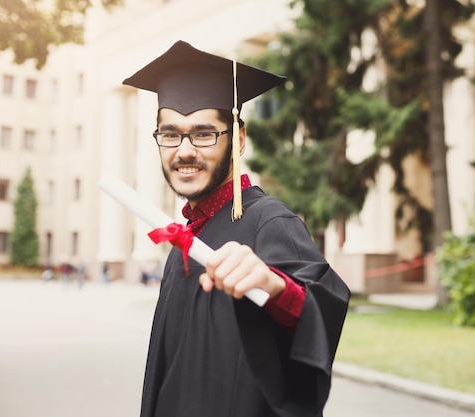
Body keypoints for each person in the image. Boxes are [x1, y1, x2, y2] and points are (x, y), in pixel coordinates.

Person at [123, 40, 350, 417]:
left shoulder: (270, 222)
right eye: (170, 134)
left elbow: (316, 304)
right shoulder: (188, 238)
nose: (184, 151)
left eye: (204, 133)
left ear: (238, 139)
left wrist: (275, 286)